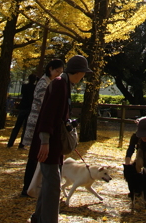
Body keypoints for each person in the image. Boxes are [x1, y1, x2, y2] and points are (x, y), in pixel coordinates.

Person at [28, 54, 92, 223]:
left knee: (50, 183)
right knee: (53, 185)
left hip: (54, 144)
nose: (83, 76)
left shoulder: (64, 84)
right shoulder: (59, 85)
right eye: (83, 73)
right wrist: (45, 142)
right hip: (48, 144)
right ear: (78, 72)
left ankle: (38, 217)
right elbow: (47, 115)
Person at [20, 59, 65, 197]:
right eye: (57, 71)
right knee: (35, 156)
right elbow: (43, 103)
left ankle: (33, 187)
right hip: (37, 123)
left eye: (60, 73)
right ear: (50, 69)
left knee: (37, 156)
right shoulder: (43, 83)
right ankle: (27, 188)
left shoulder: (50, 83)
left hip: (41, 122)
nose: (58, 74)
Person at [7, 74, 38, 148]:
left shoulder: (24, 86)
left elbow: (22, 94)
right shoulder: (35, 87)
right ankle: (22, 144)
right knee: (26, 127)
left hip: (23, 107)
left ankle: (10, 143)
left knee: (17, 126)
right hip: (29, 108)